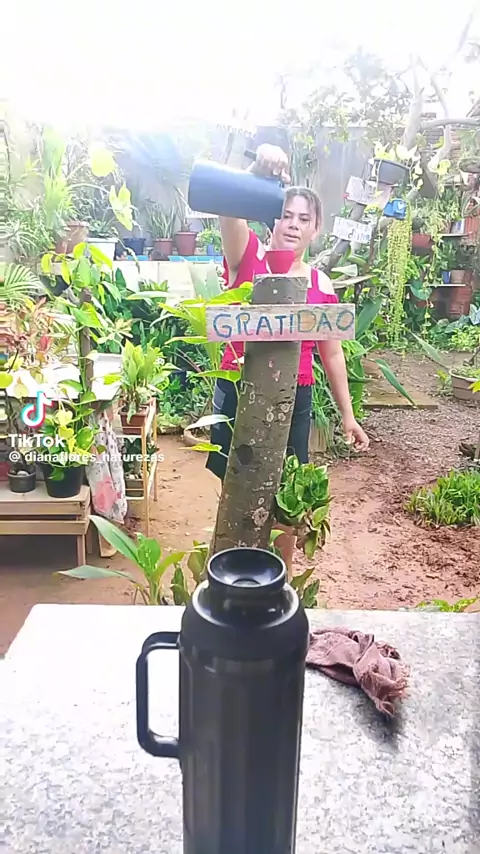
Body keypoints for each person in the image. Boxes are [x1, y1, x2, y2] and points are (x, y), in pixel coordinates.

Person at [206, 143, 369, 572]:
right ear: (271, 218)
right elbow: (229, 209)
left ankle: (279, 577)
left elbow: (332, 353)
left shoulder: (320, 284)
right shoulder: (248, 258)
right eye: (285, 214)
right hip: (238, 389)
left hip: (294, 396)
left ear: (316, 229)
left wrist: (348, 416)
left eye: (303, 218)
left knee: (286, 495)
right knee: (235, 486)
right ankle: (231, 574)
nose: (293, 224)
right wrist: (256, 172)